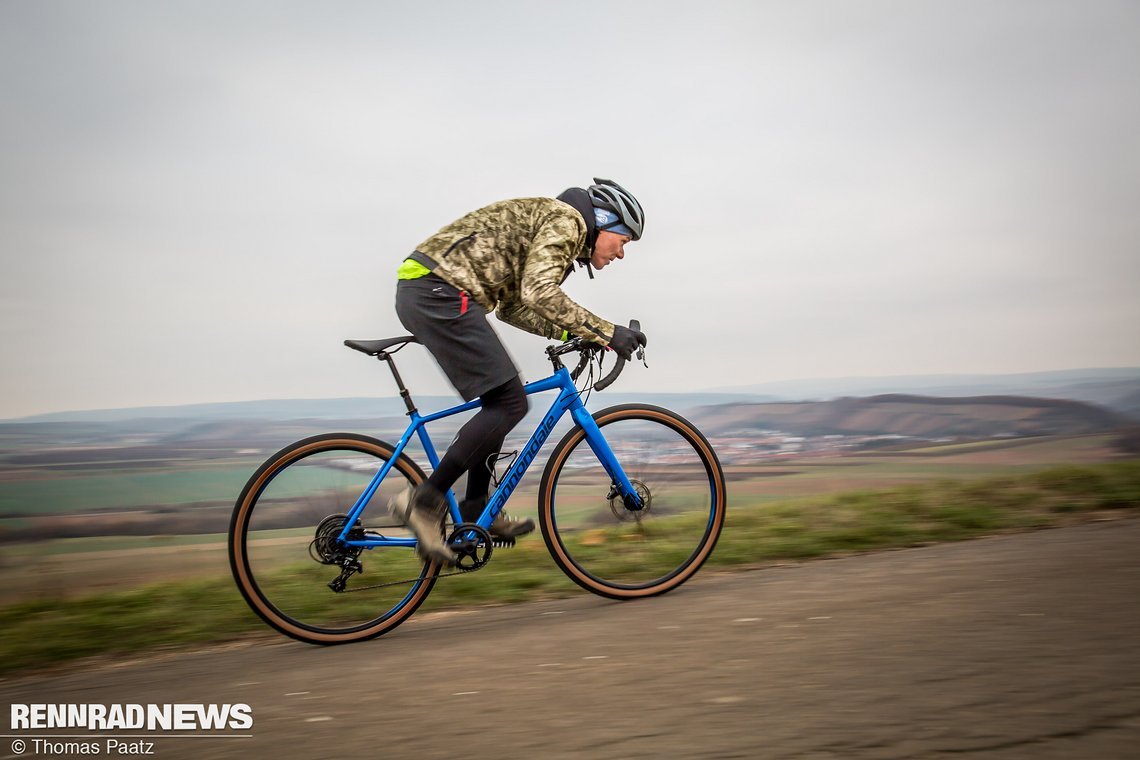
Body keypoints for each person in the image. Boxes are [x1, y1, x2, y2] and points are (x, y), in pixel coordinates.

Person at [388, 177, 648, 565]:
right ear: (605, 222)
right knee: (509, 403)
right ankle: (423, 501)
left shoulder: (556, 228)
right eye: (624, 242)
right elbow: (539, 293)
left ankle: (476, 512)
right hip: (439, 290)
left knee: (501, 400)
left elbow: (515, 306)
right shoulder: (569, 221)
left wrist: (577, 333)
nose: (621, 254)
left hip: (434, 289)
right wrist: (607, 331)